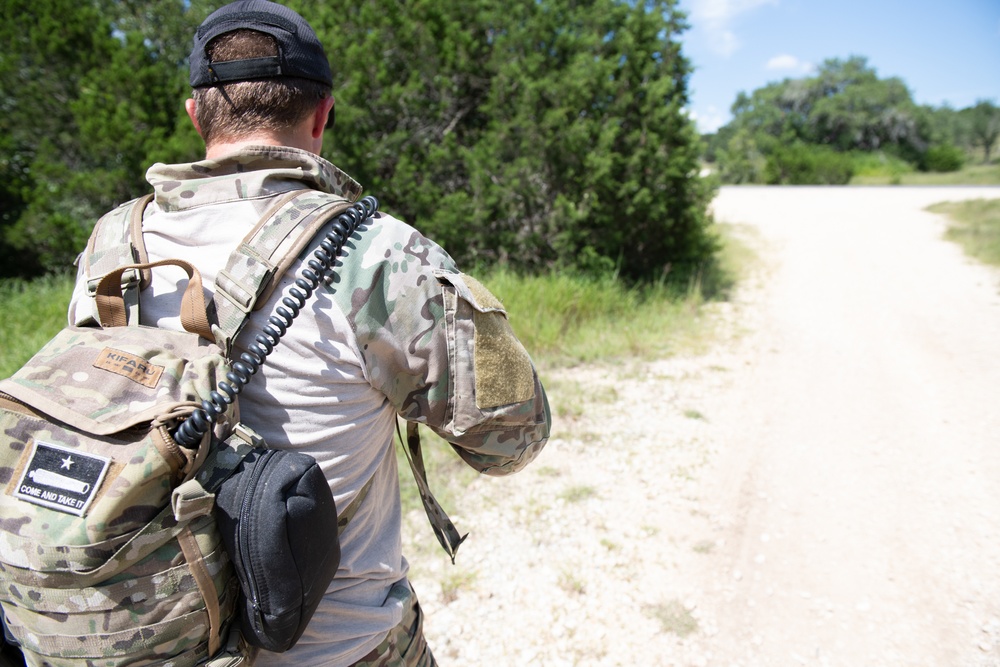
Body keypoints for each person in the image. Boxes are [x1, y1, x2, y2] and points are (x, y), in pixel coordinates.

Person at [66, 1, 551, 666]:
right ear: (321, 116)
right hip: (340, 651)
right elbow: (514, 438)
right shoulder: (377, 254)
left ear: (195, 116)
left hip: (153, 643)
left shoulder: (110, 250)